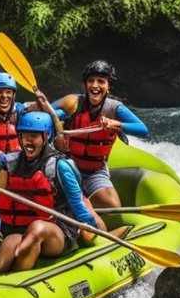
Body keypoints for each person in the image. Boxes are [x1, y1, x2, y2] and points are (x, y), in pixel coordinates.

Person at [0, 112, 103, 273]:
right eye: (24, 136)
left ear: (46, 136)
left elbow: (77, 202)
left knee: (37, 230)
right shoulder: (10, 164)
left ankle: (20, 280)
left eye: (34, 136)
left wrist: (89, 226)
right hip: (20, 228)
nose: (28, 140)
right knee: (9, 244)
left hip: (58, 229)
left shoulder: (60, 166)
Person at [51, 60, 149, 209]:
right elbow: (51, 111)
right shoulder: (74, 104)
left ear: (108, 87)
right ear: (85, 85)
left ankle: (82, 202)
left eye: (101, 81)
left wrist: (117, 124)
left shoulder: (114, 108)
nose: (95, 85)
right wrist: (57, 132)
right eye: (91, 81)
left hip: (95, 170)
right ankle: (75, 202)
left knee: (113, 205)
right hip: (68, 165)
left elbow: (142, 130)